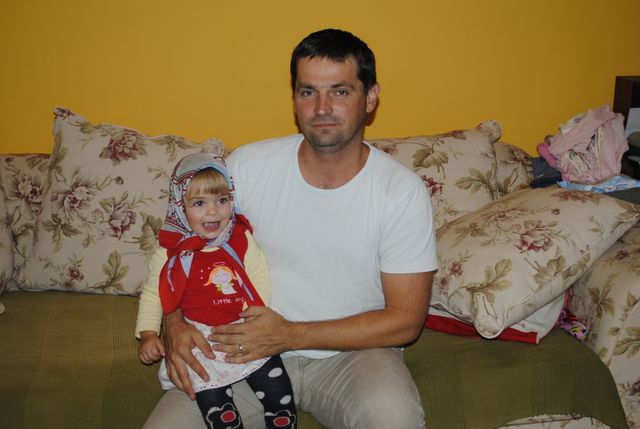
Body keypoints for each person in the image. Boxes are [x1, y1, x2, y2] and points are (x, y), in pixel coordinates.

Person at [144, 28, 438, 429]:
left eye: (339, 91)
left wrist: (289, 335)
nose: (321, 108)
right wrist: (174, 323)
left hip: (355, 355)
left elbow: (406, 320)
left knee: (394, 418)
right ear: (295, 98)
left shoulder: (400, 192)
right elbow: (177, 248)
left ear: (370, 98)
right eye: (307, 92)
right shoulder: (247, 168)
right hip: (239, 347)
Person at [136, 153, 297, 429]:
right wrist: (148, 334)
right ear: (179, 206)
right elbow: (153, 295)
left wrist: (253, 314)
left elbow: (258, 274)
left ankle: (281, 419)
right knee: (214, 404)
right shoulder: (170, 252)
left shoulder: (240, 238)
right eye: (199, 203)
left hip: (243, 329)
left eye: (221, 201)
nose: (213, 212)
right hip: (200, 340)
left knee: (278, 391)